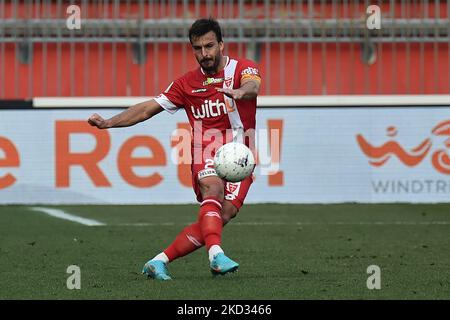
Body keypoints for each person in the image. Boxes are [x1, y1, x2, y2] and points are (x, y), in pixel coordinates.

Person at [88, 18, 261, 280]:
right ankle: (216, 254)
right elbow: (148, 108)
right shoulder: (186, 84)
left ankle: (158, 261)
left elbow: (253, 85)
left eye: (209, 46)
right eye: (197, 48)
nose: (204, 54)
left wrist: (240, 92)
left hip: (241, 156)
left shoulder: (243, 69)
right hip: (206, 150)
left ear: (222, 44)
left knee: (224, 214)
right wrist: (109, 123)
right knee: (212, 190)